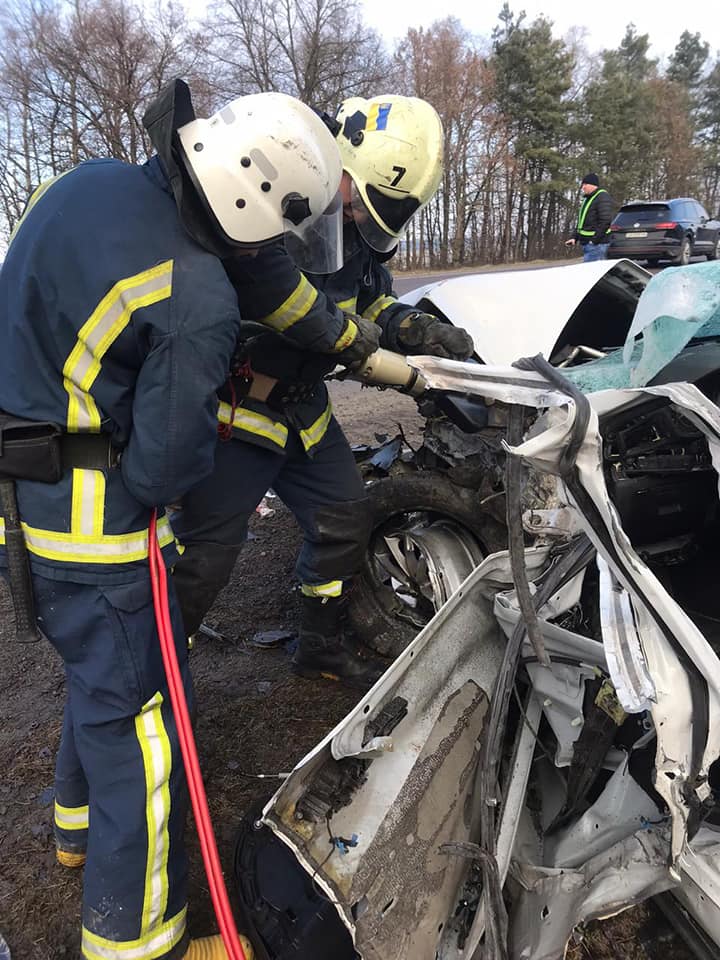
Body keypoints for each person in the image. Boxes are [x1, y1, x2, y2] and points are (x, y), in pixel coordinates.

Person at [0, 78, 347, 960]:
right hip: (93, 528)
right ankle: (140, 941)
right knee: (142, 730)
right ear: (246, 199)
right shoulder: (195, 298)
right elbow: (164, 467)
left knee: (96, 678)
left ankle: (71, 828)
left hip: (23, 495)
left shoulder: (89, 181)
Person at [170, 94, 475, 690]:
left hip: (304, 410)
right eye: (363, 197)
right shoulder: (274, 203)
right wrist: (366, 350)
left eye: (379, 206)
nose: (361, 213)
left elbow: (371, 302)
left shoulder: (356, 232)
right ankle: (156, 675)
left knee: (344, 520)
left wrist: (418, 329)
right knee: (206, 553)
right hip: (243, 407)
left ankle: (319, 645)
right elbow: (281, 300)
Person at [565, 172, 615, 261]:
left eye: (585, 184)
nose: (583, 187)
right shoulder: (588, 198)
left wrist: (594, 241)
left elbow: (605, 221)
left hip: (597, 245)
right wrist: (574, 237)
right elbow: (582, 221)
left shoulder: (602, 197)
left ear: (593, 185)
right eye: (582, 185)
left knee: (593, 273)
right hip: (588, 244)